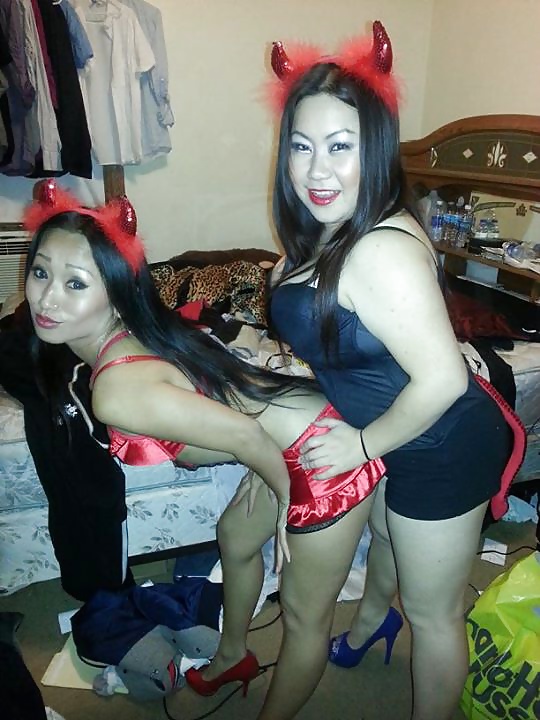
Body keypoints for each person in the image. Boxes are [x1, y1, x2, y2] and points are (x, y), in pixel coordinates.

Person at [23, 180, 386, 714]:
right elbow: (243, 427)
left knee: (304, 616)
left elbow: (246, 435)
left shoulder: (116, 389)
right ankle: (233, 655)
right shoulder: (126, 336)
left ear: (117, 293)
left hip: (321, 449)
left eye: (75, 283)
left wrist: (287, 501)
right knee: (234, 537)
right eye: (40, 272)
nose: (47, 298)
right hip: (285, 435)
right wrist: (265, 468)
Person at [263, 19, 526, 720]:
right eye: (302, 146)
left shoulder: (379, 247)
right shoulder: (334, 229)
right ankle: (368, 626)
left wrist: (359, 445)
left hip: (439, 443)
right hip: (393, 425)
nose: (317, 170)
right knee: (386, 539)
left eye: (340, 146)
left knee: (434, 613)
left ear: (374, 146)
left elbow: (441, 380)